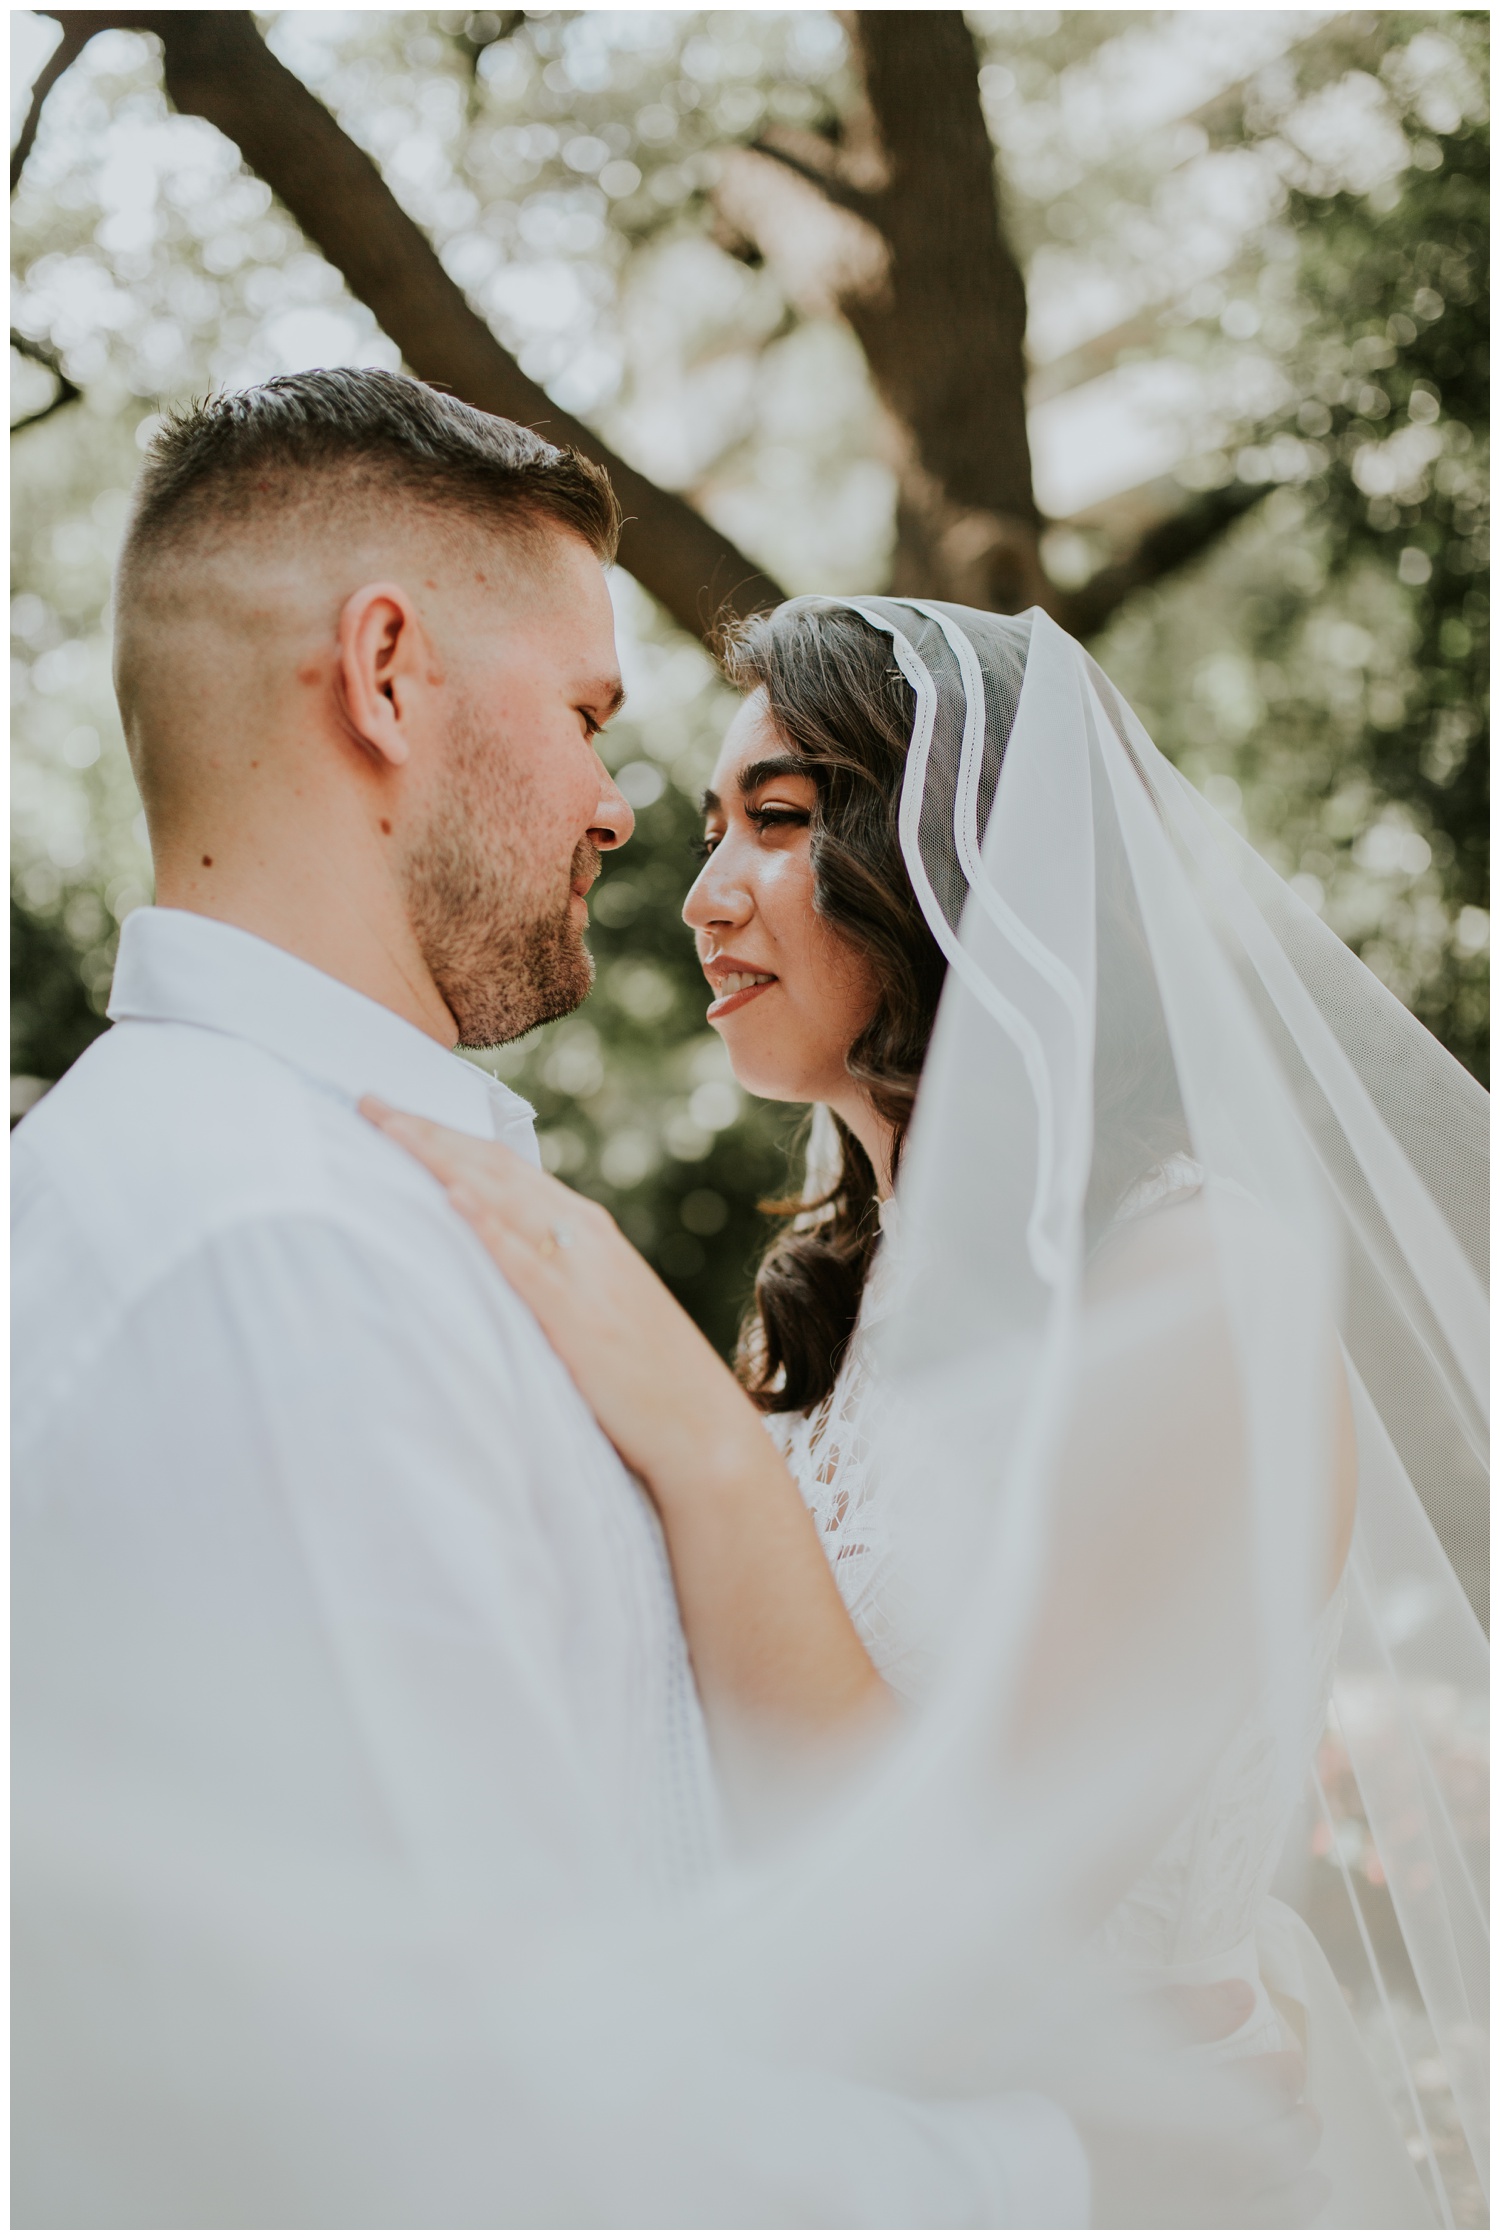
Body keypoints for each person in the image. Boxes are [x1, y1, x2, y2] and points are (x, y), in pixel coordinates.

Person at [16, 368, 1323, 2229]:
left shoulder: (1195, 1283)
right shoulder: (282, 1246)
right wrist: (1069, 2163)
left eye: (771, 815)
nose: (658, 849)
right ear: (386, 674)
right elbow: (440, 2103)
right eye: (592, 718)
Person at [374, 598, 1488, 2227]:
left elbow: (963, 1907)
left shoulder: (1200, 1292)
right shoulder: (838, 1285)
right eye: (706, 831)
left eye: (777, 821)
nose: (697, 900)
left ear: (953, 860)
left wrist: (691, 1436)